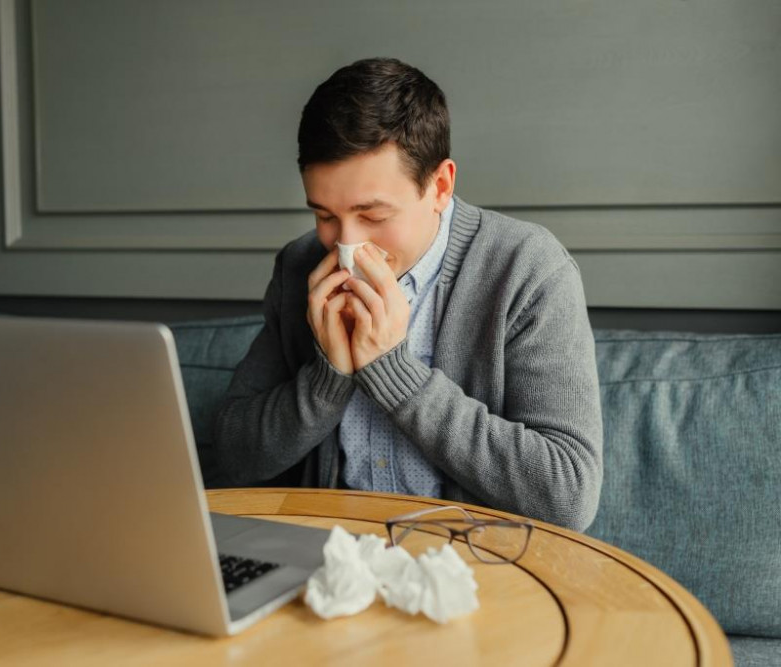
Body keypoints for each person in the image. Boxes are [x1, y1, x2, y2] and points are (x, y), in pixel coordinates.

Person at [212, 58, 603, 531]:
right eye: (324, 215)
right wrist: (327, 380)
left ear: (439, 186)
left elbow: (567, 495)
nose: (346, 246)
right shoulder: (299, 268)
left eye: (372, 215)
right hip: (331, 556)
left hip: (475, 568)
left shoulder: (528, 269)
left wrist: (393, 373)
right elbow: (230, 456)